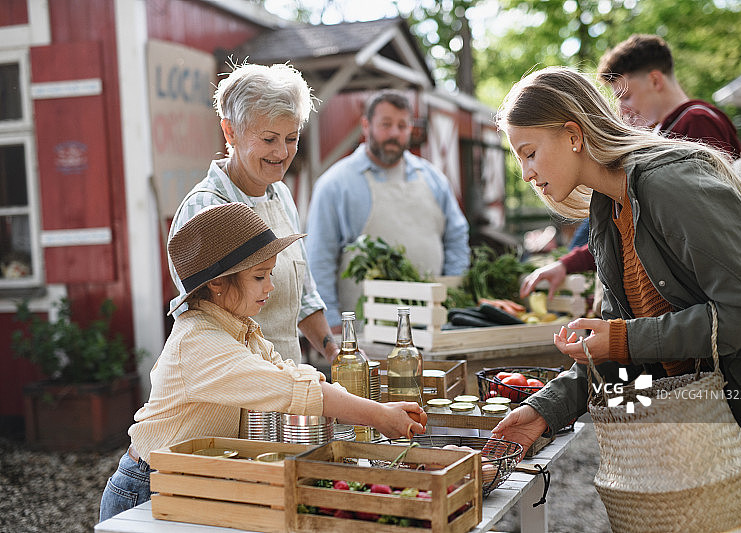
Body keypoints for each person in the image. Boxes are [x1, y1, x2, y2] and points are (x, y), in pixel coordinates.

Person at [490, 66, 741, 517]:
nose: (525, 173)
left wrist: (621, 339)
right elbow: (623, 346)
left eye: (529, 152)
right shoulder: (605, 211)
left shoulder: (668, 184)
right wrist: (548, 409)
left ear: (574, 135)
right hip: (710, 431)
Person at [99, 203, 425, 521]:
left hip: (188, 479)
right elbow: (292, 389)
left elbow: (292, 372)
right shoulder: (198, 341)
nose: (271, 286)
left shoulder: (239, 327)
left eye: (270, 273)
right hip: (146, 485)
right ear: (216, 284)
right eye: (259, 276)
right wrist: (379, 415)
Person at [521, 34, 741, 300]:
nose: (621, 110)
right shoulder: (662, 133)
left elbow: (698, 228)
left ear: (655, 80)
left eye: (626, 97)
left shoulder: (695, 123)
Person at [168, 62, 338, 364]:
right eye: (269, 139)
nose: (282, 153)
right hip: (237, 395)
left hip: (287, 386)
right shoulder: (206, 207)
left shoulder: (282, 196)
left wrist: (333, 350)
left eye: (292, 138)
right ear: (230, 131)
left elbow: (305, 298)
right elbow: (199, 326)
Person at [305, 89, 470, 328]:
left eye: (402, 126)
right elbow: (320, 260)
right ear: (366, 125)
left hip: (432, 325)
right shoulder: (335, 184)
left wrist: (451, 297)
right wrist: (331, 325)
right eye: (386, 124)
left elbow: (456, 237)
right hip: (364, 331)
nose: (394, 133)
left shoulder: (433, 178)